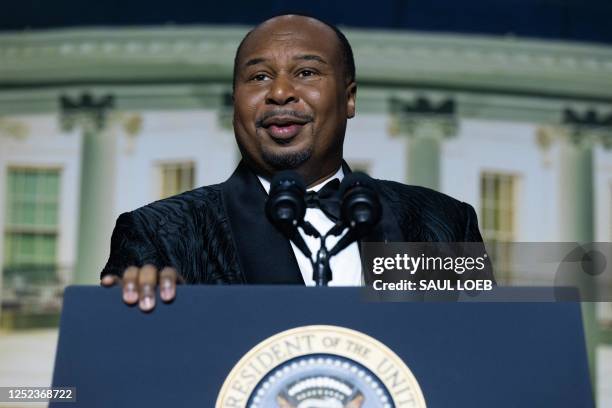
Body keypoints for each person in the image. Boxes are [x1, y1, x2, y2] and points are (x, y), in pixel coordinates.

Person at [100, 14, 491, 311]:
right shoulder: (159, 233)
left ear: (349, 98)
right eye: (258, 77)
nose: (281, 93)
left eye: (306, 72)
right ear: (235, 100)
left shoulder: (442, 224)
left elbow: (485, 358)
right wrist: (139, 308)